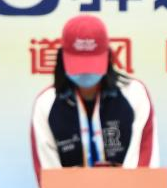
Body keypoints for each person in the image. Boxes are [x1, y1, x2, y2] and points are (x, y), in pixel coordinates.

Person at [30, 14, 158, 176]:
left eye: (92, 63)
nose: (85, 72)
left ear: (109, 56)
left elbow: (144, 168)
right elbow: (48, 177)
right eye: (78, 64)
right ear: (62, 57)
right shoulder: (45, 103)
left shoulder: (135, 94)